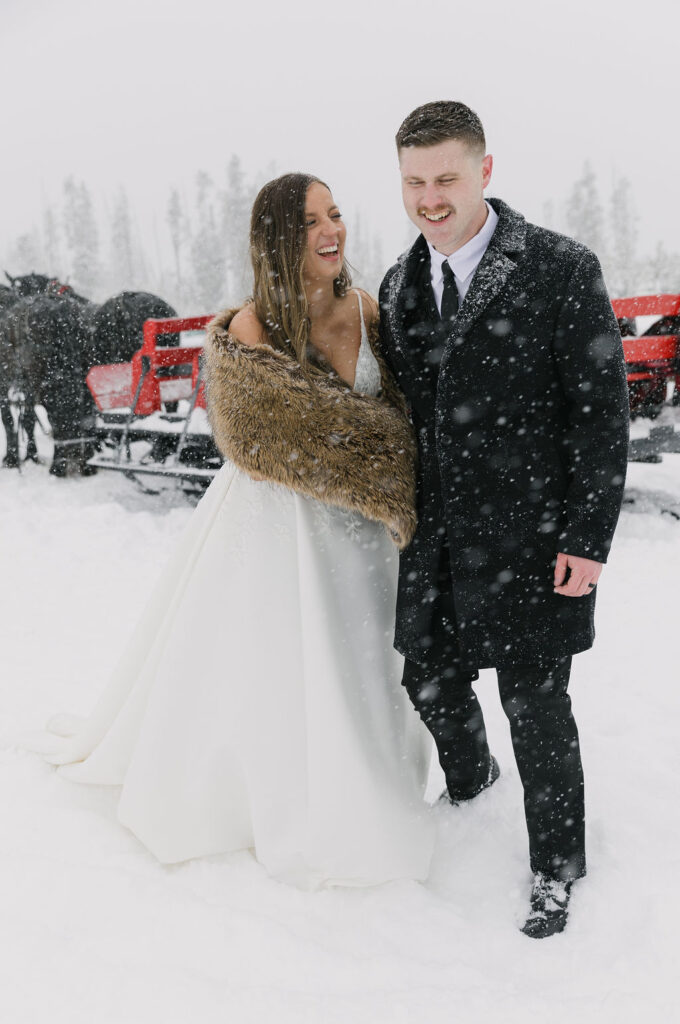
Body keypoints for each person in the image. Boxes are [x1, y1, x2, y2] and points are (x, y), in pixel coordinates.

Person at [35, 172, 435, 890]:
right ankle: (276, 789)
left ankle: (371, 772)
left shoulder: (369, 309)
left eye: (336, 214)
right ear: (280, 238)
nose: (331, 230)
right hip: (284, 524)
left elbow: (403, 412)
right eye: (312, 220)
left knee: (365, 659)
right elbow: (267, 435)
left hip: (365, 530)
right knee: (280, 658)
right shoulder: (254, 324)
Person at [378, 101, 629, 937]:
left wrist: (587, 540)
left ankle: (556, 865)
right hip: (439, 541)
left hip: (533, 538)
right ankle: (473, 788)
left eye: (446, 177)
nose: (430, 198)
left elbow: (600, 415)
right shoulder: (399, 283)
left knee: (536, 702)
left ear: (485, 170)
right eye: (415, 181)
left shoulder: (559, 267)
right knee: (429, 682)